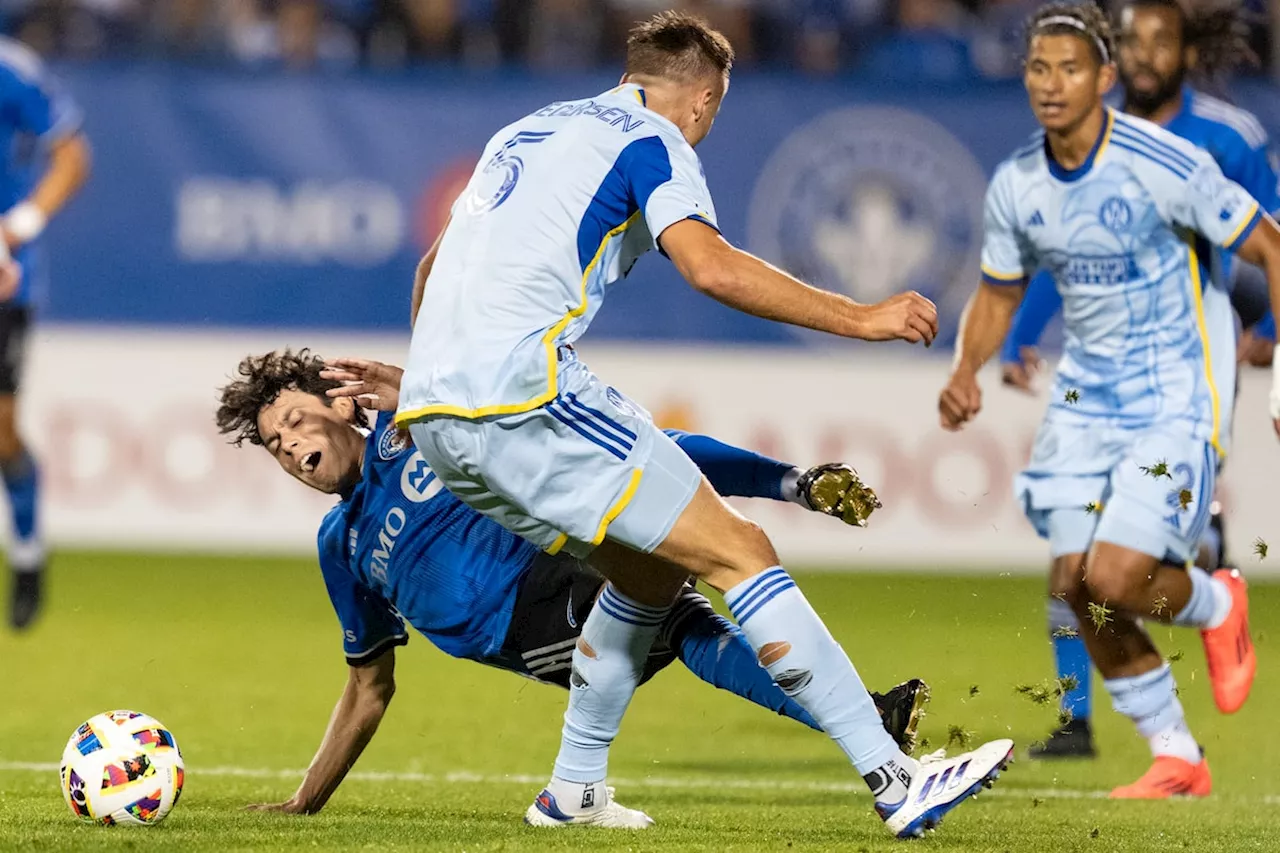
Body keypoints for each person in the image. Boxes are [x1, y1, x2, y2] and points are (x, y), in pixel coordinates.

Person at [394, 10, 1012, 839]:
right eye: (714, 111)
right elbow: (710, 266)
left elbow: (435, 263)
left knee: (649, 574)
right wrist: (863, 317)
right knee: (741, 552)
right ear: (704, 99)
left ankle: (572, 789)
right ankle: (897, 779)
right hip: (522, 393)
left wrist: (431, 376)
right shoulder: (654, 138)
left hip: (437, 412)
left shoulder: (527, 128)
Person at [214, 349, 929, 815]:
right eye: (275, 444)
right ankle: (865, 722)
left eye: (294, 422)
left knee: (646, 470)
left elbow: (489, 392)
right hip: (528, 627)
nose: (290, 447)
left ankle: (795, 483)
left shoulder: (419, 424)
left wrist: (420, 387)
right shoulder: (341, 545)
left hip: (560, 550)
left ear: (343, 406)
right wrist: (304, 798)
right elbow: (369, 686)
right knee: (675, 610)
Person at [940, 1, 1280, 799]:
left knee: (1119, 578)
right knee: (1072, 584)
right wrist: (966, 370)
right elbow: (999, 289)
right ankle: (1177, 756)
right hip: (1087, 397)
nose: (1051, 84)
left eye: (1069, 68)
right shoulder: (1018, 179)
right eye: (1037, 68)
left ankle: (1213, 597)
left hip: (1175, 392)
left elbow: (1268, 244)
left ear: (1104, 78)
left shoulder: (1164, 160)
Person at [0, 36, 91, 630]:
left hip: (4, 278)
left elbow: (71, 154)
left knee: (0, 431)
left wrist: (20, 225)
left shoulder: (11, 70)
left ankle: (28, 555)